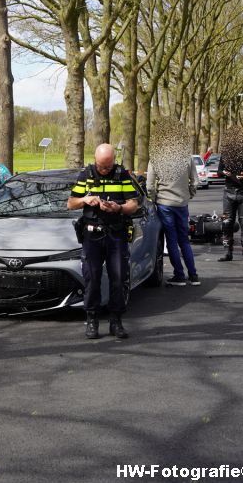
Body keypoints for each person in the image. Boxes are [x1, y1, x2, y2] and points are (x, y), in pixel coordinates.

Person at [67, 144, 139, 339]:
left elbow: (133, 204)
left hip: (116, 234)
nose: (104, 170)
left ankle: (116, 321)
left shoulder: (122, 175)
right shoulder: (86, 175)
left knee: (119, 278)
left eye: (108, 166)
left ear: (114, 161)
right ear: (95, 160)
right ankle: (92, 320)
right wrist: (85, 200)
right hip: (92, 235)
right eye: (101, 166)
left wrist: (119, 208)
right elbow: (70, 203)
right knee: (92, 278)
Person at [146, 155, 201, 286]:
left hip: (164, 203)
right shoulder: (187, 157)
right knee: (184, 240)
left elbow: (150, 186)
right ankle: (193, 275)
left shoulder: (156, 158)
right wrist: (189, 195)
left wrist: (153, 199)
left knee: (171, 240)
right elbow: (195, 181)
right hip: (182, 204)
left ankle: (179, 275)